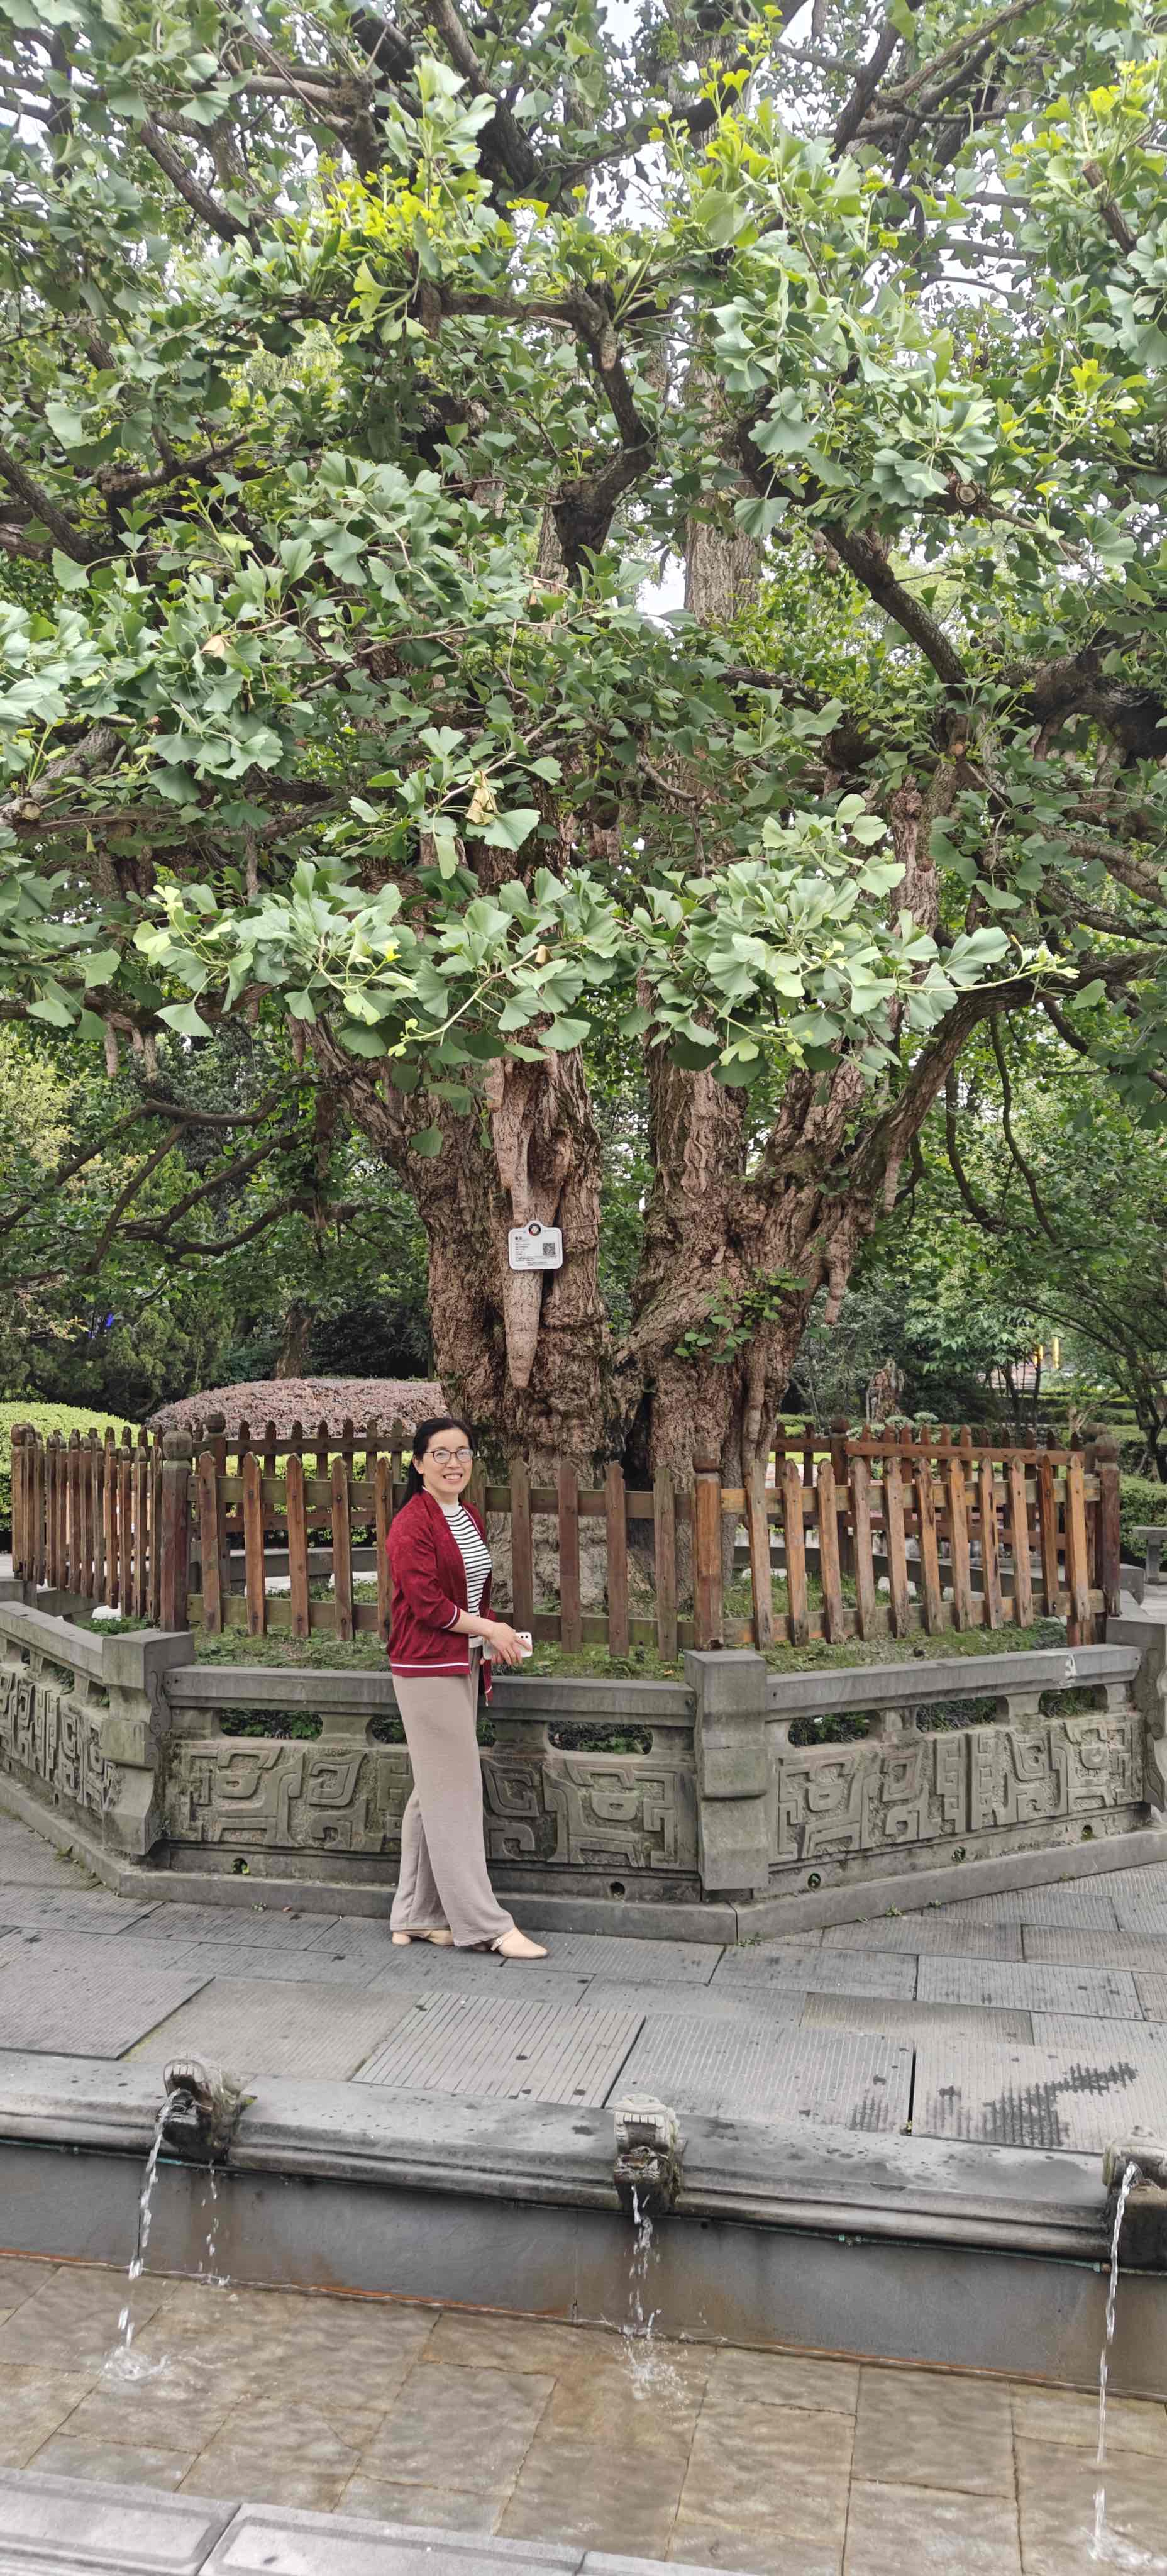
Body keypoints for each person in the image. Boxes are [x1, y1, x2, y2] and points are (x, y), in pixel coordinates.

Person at [385, 1416, 548, 1960]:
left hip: (462, 1662)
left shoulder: (467, 1515)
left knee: (433, 1791)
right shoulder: (411, 1524)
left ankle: (415, 1914)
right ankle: (485, 1926)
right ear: (418, 1463)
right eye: (440, 1454)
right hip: (426, 1669)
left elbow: (471, 1594)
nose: (453, 1463)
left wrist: (492, 1637)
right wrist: (489, 1629)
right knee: (455, 1794)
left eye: (462, 1453)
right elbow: (429, 1605)